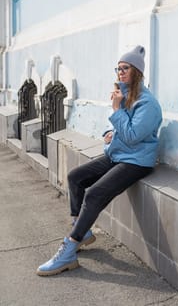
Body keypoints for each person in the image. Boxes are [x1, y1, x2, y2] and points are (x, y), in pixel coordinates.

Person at [36, 45, 162, 276]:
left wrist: (116, 111)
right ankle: (81, 230)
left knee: (94, 193)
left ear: (137, 71)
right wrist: (109, 131)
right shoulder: (125, 96)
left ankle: (69, 249)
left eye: (126, 68)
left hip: (136, 161)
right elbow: (120, 126)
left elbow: (134, 136)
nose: (120, 72)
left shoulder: (148, 104)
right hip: (118, 153)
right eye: (118, 68)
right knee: (75, 177)